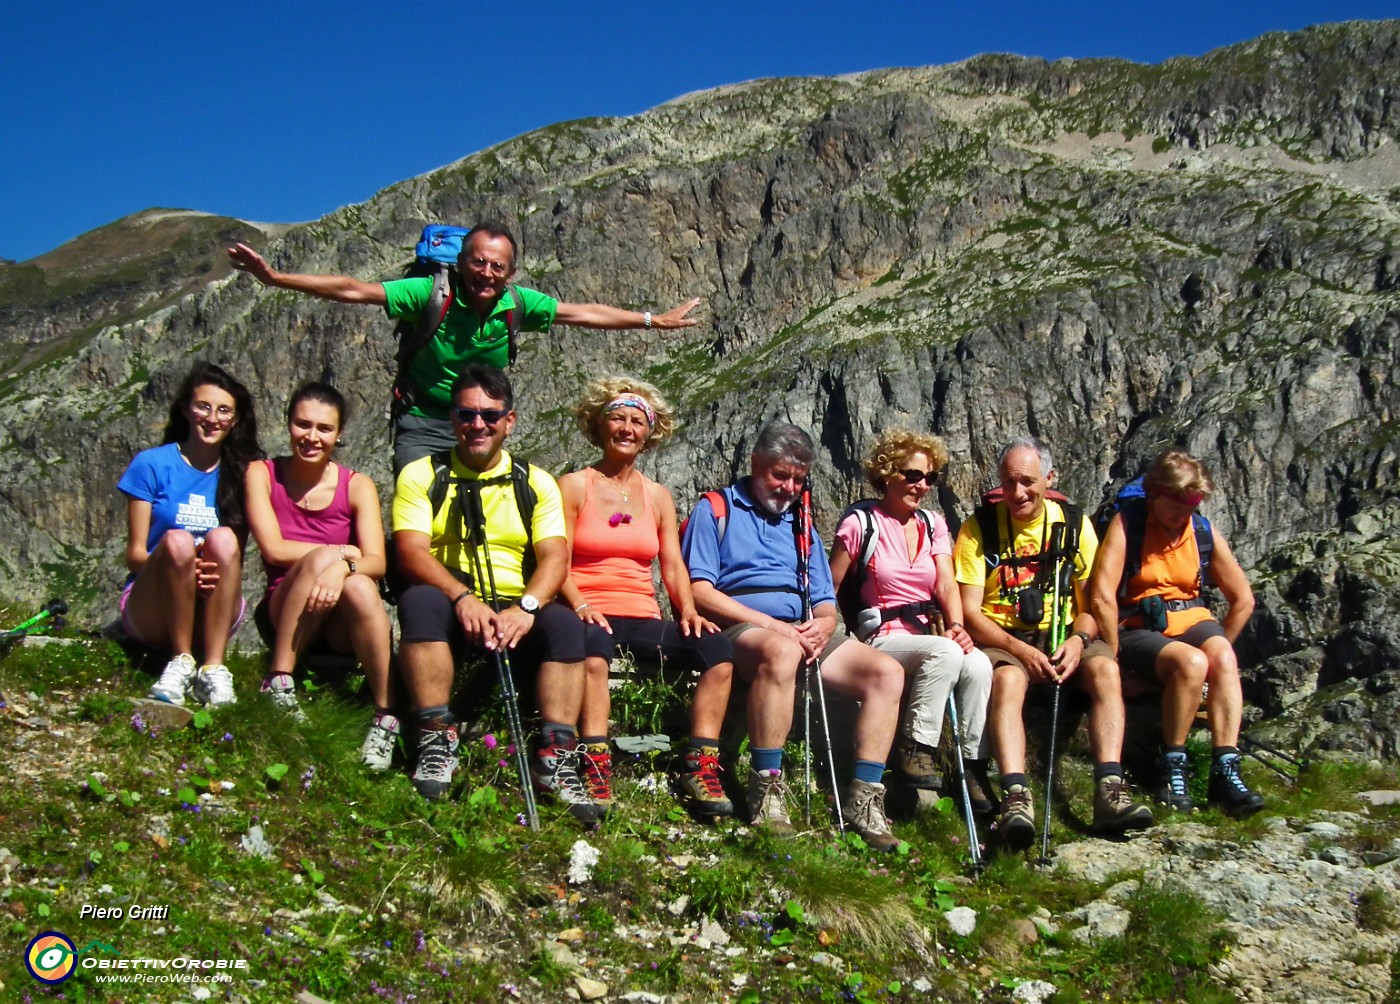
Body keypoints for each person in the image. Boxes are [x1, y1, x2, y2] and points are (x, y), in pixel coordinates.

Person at [228, 222, 702, 471]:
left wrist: (651, 320)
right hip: (424, 419)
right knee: (420, 502)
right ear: (461, 263)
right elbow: (355, 289)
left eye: (498, 267)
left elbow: (583, 312)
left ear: (510, 273)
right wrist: (276, 278)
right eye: (478, 263)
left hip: (484, 424)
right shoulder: (430, 294)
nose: (487, 274)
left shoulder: (518, 304)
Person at [681, 422, 907, 850]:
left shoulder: (801, 523)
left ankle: (865, 799)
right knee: (782, 653)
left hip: (801, 632)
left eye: (798, 479)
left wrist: (823, 624)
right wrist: (775, 627)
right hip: (743, 626)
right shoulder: (714, 510)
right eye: (779, 475)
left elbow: (824, 598)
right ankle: (766, 786)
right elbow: (700, 591)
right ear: (755, 464)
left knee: (886, 672)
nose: (788, 487)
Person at [392, 365, 601, 821]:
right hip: (449, 596)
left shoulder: (535, 482)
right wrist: (461, 597)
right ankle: (434, 736)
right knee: (419, 602)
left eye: (490, 414)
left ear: (510, 420)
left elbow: (553, 558)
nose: (477, 424)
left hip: (514, 601)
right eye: (466, 414)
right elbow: (410, 551)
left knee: (564, 625)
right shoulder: (421, 475)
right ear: (451, 419)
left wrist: (527, 607)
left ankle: (556, 758)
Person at [953, 437, 1153, 848]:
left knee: (1104, 670)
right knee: (1008, 682)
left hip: (1064, 633)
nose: (1017, 493)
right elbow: (970, 612)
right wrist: (1021, 650)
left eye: (1027, 481)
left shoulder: (1075, 525)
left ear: (1049, 479)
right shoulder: (979, 529)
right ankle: (1016, 795)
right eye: (1008, 483)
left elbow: (1091, 604)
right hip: (1004, 636)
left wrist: (1080, 641)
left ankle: (1110, 789)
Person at [558, 377, 736, 818]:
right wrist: (579, 603)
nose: (626, 428)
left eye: (637, 421)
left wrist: (689, 612)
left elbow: (672, 566)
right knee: (593, 652)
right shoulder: (574, 486)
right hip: (587, 606)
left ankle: (701, 763)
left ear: (649, 433)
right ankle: (595, 762)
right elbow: (555, 559)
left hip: (641, 611)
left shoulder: (657, 496)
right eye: (617, 418)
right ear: (599, 426)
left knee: (718, 649)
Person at [1088, 449, 1264, 816]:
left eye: (1192, 503)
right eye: (1177, 503)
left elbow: (1243, 599)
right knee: (1192, 662)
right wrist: (1116, 658)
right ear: (1155, 493)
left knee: (1222, 658)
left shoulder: (1199, 530)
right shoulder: (1127, 525)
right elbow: (1103, 595)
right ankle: (1173, 765)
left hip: (1192, 619)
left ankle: (1225, 767)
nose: (1184, 512)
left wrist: (1221, 647)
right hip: (1138, 627)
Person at [828, 429, 994, 811]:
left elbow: (947, 583)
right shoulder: (860, 523)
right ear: (887, 474)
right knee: (945, 655)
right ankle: (915, 749)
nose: (921, 485)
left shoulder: (934, 524)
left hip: (925, 636)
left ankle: (972, 766)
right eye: (913, 475)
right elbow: (830, 584)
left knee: (979, 664)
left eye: (929, 478)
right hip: (880, 637)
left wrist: (957, 627)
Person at [244, 382, 398, 768]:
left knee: (363, 586)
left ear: (339, 433)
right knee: (320, 560)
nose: (312, 437)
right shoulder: (262, 474)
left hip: (338, 616)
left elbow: (376, 562)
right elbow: (275, 550)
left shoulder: (357, 485)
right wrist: (336, 553)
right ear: (289, 425)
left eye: (324, 429)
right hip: (285, 608)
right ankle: (279, 679)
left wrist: (342, 568)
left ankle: (386, 714)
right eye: (303, 425)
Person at [118, 362, 261, 707]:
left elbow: (233, 558)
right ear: (186, 409)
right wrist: (182, 564)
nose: (212, 418)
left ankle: (213, 666)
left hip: (212, 601)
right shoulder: (151, 464)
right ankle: (181, 661)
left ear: (235, 420)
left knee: (224, 539)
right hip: (154, 600)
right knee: (178, 541)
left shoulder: (242, 475)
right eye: (203, 406)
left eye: (224, 410)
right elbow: (135, 555)